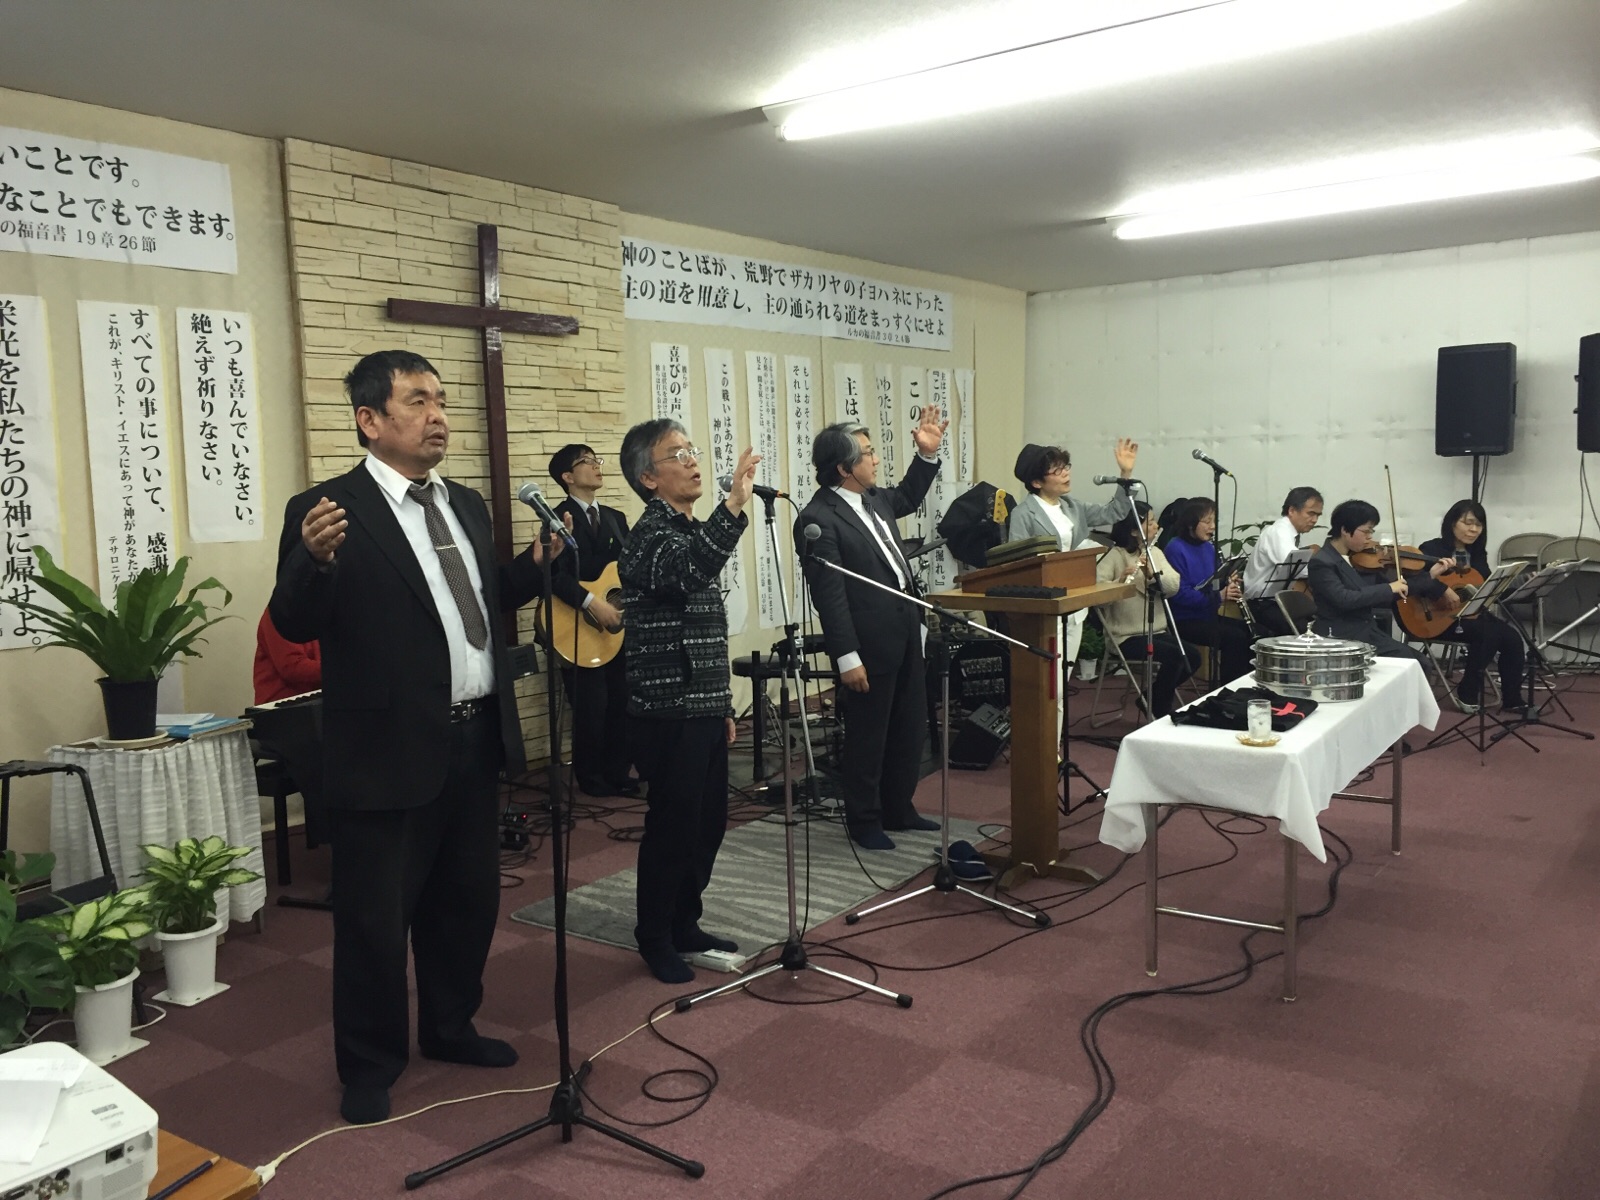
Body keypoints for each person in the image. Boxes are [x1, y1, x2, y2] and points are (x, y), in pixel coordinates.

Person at [269, 350, 563, 1126]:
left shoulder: (464, 503)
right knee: (375, 918)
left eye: (441, 400)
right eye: (417, 401)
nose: (438, 416)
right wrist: (313, 562)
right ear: (370, 420)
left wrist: (532, 567)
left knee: (464, 901)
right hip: (384, 750)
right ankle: (369, 1063)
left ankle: (449, 1026)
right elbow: (293, 619)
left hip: (472, 738)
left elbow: (478, 600)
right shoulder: (327, 509)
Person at [618, 419, 758, 984]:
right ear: (649, 478)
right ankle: (653, 935)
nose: (693, 461)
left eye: (692, 450)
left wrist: (722, 704)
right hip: (667, 708)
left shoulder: (690, 530)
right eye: (677, 454)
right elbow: (689, 569)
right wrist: (734, 506)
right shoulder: (648, 537)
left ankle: (684, 923)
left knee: (708, 824)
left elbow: (705, 630)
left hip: (702, 706)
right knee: (673, 827)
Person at [797, 407, 947, 852]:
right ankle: (863, 819)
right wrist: (847, 657)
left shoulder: (874, 498)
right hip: (867, 643)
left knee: (909, 727)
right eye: (867, 453)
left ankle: (899, 807)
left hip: (906, 630)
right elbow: (830, 596)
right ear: (844, 468)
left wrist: (927, 455)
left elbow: (908, 497)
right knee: (869, 735)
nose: (876, 459)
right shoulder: (818, 519)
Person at [1008, 438, 1139, 735]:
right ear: (1037, 482)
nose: (1066, 472)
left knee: (1062, 680)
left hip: (1074, 604)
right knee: (1048, 684)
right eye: (1057, 470)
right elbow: (1016, 562)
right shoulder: (1023, 513)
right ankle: (1044, 745)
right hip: (1044, 606)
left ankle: (1053, 744)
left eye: (1065, 466)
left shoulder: (1072, 506)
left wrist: (1125, 474)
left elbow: (1113, 513)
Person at [547, 443, 637, 797]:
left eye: (596, 459)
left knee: (621, 699)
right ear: (567, 477)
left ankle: (618, 770)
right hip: (575, 624)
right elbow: (554, 575)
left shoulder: (615, 517)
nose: (597, 466)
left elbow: (627, 570)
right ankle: (590, 776)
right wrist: (591, 603)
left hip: (615, 628)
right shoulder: (556, 518)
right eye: (586, 462)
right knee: (591, 706)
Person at [1415, 499, 1528, 713]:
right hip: (1436, 617)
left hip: (1470, 615)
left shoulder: (1477, 554)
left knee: (1513, 638)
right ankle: (1467, 692)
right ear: (1452, 523)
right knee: (1488, 633)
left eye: (1479, 524)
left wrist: (1518, 584)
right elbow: (1415, 581)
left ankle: (1513, 699)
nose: (1474, 529)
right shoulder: (1431, 548)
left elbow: (1486, 586)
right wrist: (1441, 589)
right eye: (1468, 523)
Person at [1095, 502, 1201, 717]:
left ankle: (1150, 698)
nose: (1156, 526)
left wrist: (1153, 575)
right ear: (1134, 530)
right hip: (1125, 636)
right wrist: (1121, 581)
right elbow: (1098, 596)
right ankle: (1160, 710)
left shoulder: (1155, 553)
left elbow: (1173, 587)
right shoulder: (1114, 555)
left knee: (1191, 656)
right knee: (1175, 656)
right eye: (1150, 522)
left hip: (1157, 630)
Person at [1306, 499, 1439, 662]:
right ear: (1345, 530)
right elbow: (1344, 599)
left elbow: (1393, 590)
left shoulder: (1356, 559)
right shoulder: (1322, 562)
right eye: (1366, 531)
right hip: (1341, 635)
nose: (1369, 538)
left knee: (1420, 661)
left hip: (1366, 631)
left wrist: (1430, 576)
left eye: (1371, 531)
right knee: (1416, 662)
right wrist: (1390, 588)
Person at [1163, 497, 1252, 683]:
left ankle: (1245, 685)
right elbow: (1179, 594)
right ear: (1190, 523)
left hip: (1207, 614)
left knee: (1251, 632)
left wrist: (1227, 582)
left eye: (1214, 521)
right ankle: (1228, 690)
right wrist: (1219, 596)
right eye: (1207, 521)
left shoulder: (1209, 548)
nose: (1212, 527)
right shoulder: (1175, 549)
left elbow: (1213, 583)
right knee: (1234, 638)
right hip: (1184, 619)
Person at [1243, 487, 1323, 600]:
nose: (1315, 520)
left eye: (1318, 515)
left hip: (1274, 599)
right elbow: (1297, 570)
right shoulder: (1279, 532)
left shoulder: (1291, 533)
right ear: (1292, 511)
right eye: (1311, 513)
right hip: (1262, 602)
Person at [253, 606, 321, 705]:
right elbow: (292, 667)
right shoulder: (280, 612)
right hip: (282, 705)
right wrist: (339, 670)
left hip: (317, 700)